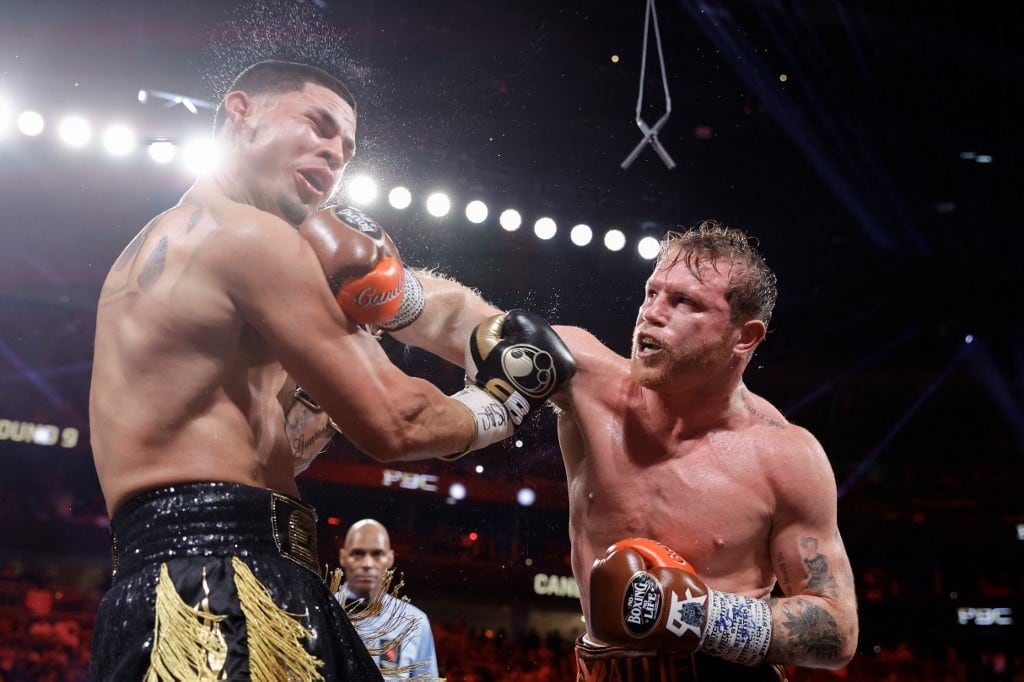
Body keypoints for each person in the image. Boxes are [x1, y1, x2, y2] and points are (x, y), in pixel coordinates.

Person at [87, 59, 573, 681]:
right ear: (241, 113)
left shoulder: (164, 246)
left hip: (168, 577)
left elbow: (279, 443)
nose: (335, 153)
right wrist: (502, 403)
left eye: (346, 147)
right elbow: (395, 421)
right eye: (318, 126)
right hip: (223, 584)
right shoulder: (253, 238)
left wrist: (335, 382)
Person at [390, 222, 859, 681]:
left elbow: (837, 630)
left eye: (684, 302)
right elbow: (466, 323)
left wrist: (700, 615)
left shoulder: (786, 456)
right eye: (652, 293)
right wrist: (384, 283)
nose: (652, 313)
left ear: (745, 337)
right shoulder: (586, 379)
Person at [335, 519, 440, 680]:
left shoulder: (415, 622)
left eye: (377, 554)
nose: (367, 564)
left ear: (390, 558)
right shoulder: (319, 611)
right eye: (358, 554)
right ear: (343, 557)